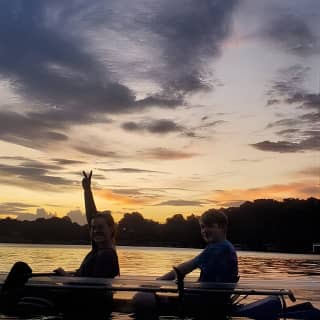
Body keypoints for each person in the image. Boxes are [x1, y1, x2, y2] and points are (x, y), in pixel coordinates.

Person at [133, 209, 238, 318]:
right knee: (154, 297)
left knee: (141, 297)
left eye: (210, 226)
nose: (204, 230)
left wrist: (155, 284)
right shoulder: (226, 247)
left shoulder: (218, 248)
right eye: (202, 227)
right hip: (209, 300)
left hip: (205, 304)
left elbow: (184, 268)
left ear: (222, 227)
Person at [54, 171, 120, 278]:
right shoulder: (98, 250)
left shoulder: (106, 255)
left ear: (111, 229)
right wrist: (87, 190)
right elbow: (91, 216)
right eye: (93, 228)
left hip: (84, 294)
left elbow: (91, 287)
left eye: (100, 227)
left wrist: (65, 276)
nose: (95, 231)